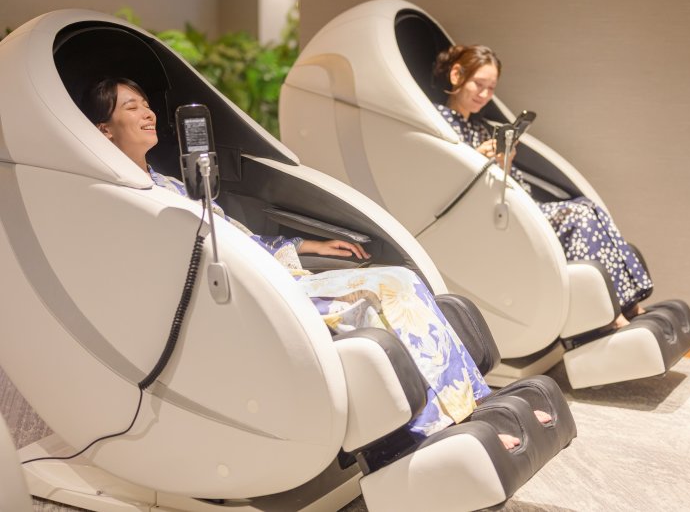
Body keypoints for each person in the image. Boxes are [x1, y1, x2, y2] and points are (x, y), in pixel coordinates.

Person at [80, 77, 551, 450]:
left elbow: (240, 239)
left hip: (269, 279)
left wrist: (313, 245)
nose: (148, 113)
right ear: (104, 130)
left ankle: (461, 408)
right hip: (250, 298)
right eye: (131, 107)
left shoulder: (170, 184)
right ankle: (455, 418)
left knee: (396, 287)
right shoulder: (131, 201)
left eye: (147, 104)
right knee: (391, 287)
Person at [433, 45, 653, 328]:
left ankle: (629, 301)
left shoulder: (482, 127)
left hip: (516, 203)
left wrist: (505, 160)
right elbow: (450, 178)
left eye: (491, 88)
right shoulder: (440, 124)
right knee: (579, 216)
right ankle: (610, 314)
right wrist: (477, 157)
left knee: (588, 207)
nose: (484, 95)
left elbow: (502, 179)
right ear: (456, 76)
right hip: (495, 217)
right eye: (479, 84)